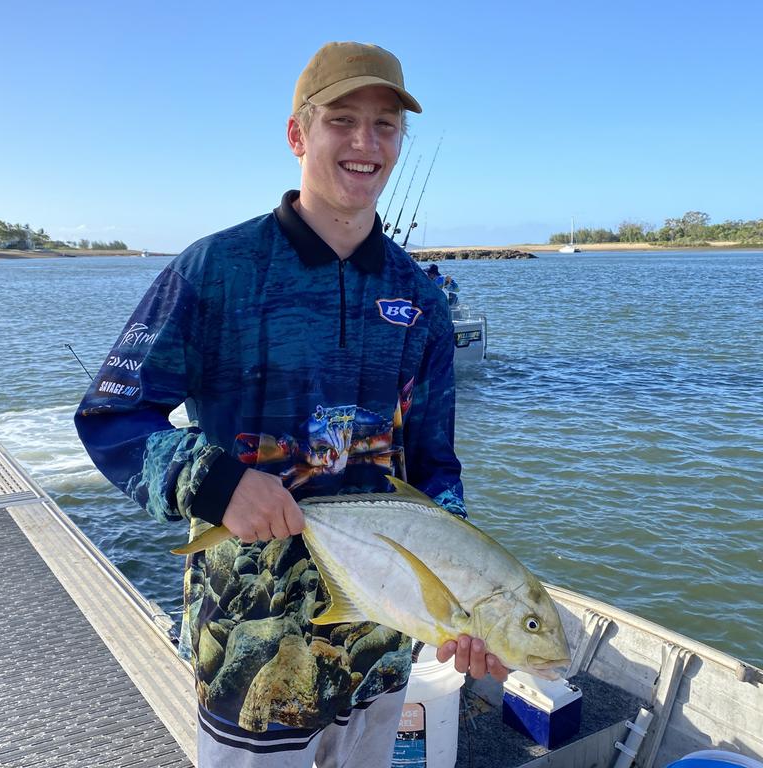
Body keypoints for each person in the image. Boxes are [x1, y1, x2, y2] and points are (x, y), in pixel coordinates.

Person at [75, 40, 508, 767]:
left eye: (386, 126)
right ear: (297, 134)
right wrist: (215, 483)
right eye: (343, 120)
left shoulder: (421, 299)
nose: (366, 144)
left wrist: (465, 593)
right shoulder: (215, 270)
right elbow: (112, 416)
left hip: (377, 646)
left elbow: (434, 468)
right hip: (249, 646)